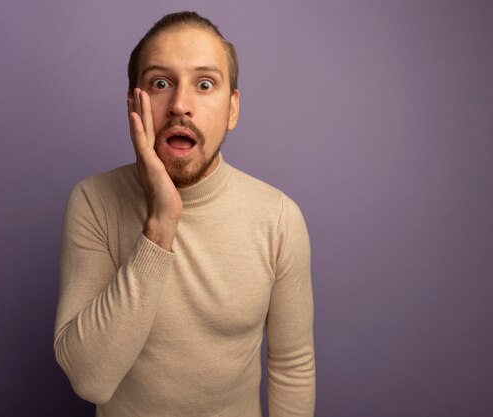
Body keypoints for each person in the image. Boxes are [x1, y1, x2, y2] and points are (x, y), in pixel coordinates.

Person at [53, 11, 315, 417]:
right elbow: (90, 381)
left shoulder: (278, 218)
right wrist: (160, 226)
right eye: (160, 83)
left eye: (205, 84)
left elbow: (292, 366)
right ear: (133, 107)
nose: (180, 105)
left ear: (232, 109)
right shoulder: (94, 202)